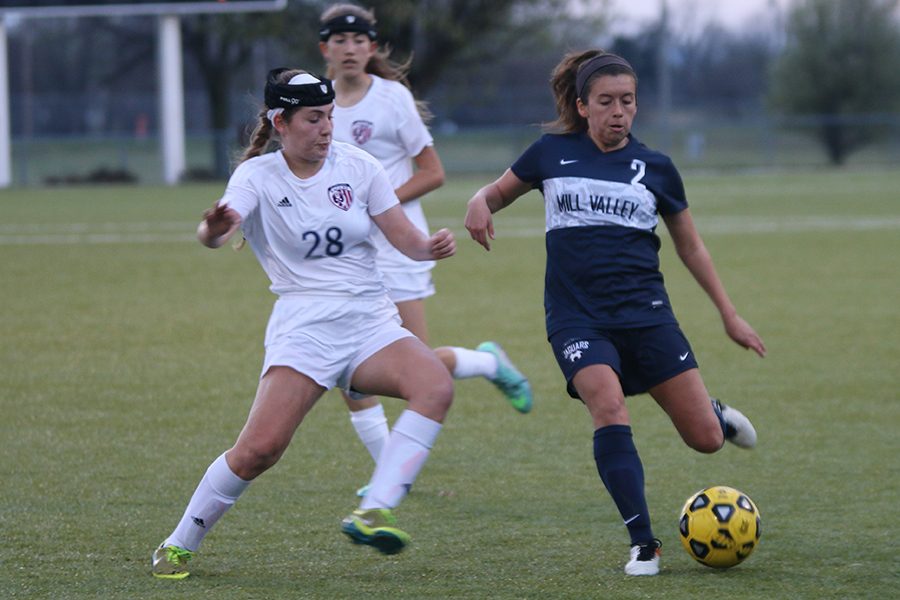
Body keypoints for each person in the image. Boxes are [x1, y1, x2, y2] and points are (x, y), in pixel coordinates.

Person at [464, 50, 767, 577]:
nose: (618, 112)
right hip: (576, 318)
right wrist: (478, 201)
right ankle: (643, 543)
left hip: (647, 316)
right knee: (607, 405)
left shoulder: (657, 168)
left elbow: (691, 247)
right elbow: (494, 194)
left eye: (627, 101)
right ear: (583, 106)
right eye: (606, 102)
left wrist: (729, 314)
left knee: (705, 441)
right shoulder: (549, 154)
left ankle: (713, 413)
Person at [151, 68, 457, 579]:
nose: (326, 128)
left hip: (368, 318)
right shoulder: (257, 177)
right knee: (258, 451)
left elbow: (403, 237)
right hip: (305, 325)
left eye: (330, 116)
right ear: (280, 122)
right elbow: (215, 233)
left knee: (436, 387)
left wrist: (429, 247)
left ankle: (374, 508)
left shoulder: (359, 166)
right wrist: (213, 227)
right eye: (313, 118)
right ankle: (179, 543)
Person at [317, 3, 533, 490]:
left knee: (416, 362)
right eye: (339, 40)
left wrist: (379, 205)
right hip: (346, 255)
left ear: (371, 48)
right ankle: (389, 476)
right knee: (343, 366)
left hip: (400, 246)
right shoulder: (317, 103)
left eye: (359, 40)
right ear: (324, 48)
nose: (349, 49)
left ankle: (488, 362)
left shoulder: (392, 99)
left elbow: (433, 171)